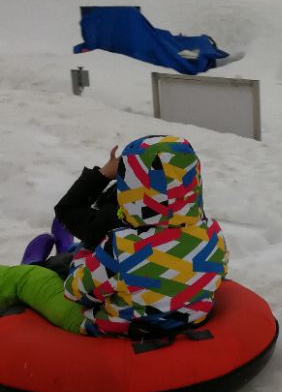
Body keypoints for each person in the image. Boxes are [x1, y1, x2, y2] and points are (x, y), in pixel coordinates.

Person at [0, 135, 228, 336]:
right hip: (183, 320)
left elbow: (75, 291)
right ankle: (61, 258)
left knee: (29, 278)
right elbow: (214, 277)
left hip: (110, 327)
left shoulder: (123, 248)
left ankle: (31, 268)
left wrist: (87, 254)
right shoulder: (212, 236)